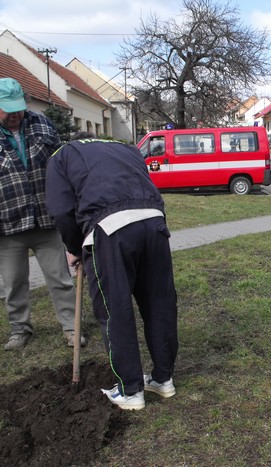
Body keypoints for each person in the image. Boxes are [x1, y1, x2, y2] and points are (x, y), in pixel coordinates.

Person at [45, 133, 179, 410]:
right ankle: (163, 379)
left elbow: (60, 211)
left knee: (115, 310)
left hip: (110, 229)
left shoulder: (61, 155)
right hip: (154, 223)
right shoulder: (126, 148)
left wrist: (75, 247)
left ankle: (131, 391)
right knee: (159, 304)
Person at [0, 77, 82, 351]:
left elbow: (61, 165)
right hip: (7, 223)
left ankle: (72, 327)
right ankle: (20, 329)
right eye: (7, 109)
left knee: (60, 278)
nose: (14, 114)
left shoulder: (42, 124)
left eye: (18, 107)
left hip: (46, 219)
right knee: (13, 283)